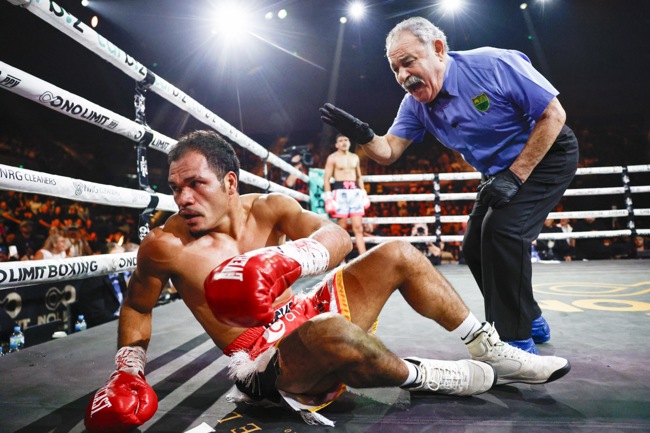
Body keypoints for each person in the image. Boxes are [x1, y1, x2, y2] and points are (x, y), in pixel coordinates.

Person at [84, 130, 570, 433]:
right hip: (264, 361)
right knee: (330, 332)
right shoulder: (166, 246)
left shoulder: (270, 208)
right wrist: (129, 369)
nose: (184, 198)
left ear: (230, 182)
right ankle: (426, 376)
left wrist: (291, 258)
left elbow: (334, 234)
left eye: (196, 184)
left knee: (398, 253)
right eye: (175, 188)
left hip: (306, 310)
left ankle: (488, 347)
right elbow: (137, 306)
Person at [320, 16, 579, 354]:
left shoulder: (494, 64)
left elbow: (554, 115)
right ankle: (528, 317)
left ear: (439, 50)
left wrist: (515, 176)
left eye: (408, 62)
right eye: (395, 69)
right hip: (498, 171)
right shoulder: (415, 105)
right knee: (473, 246)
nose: (402, 76)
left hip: (545, 153)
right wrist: (363, 134)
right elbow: (388, 152)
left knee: (504, 231)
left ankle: (515, 341)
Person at [323, 134, 370, 256]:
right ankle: (341, 259)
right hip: (340, 193)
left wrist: (363, 192)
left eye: (346, 140)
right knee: (342, 229)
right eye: (341, 140)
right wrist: (328, 197)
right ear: (336, 144)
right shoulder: (332, 158)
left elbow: (359, 177)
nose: (344, 142)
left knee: (358, 228)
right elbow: (326, 178)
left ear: (349, 143)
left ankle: (364, 257)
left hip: (355, 192)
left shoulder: (355, 157)